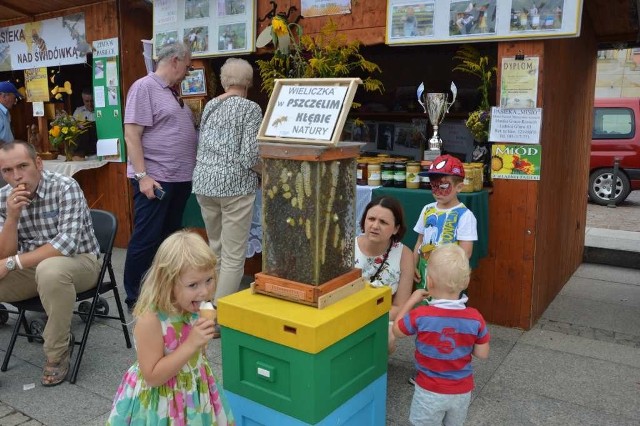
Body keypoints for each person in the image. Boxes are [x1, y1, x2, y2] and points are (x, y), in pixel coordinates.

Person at [106, 231, 234, 425]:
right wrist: (192, 344)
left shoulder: (193, 308)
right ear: (168, 283)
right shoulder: (151, 319)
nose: (205, 291)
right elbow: (152, 377)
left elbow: (198, 356)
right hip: (161, 403)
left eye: (209, 279)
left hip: (194, 393)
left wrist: (199, 344)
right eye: (193, 284)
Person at [0, 140, 100, 386]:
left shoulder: (66, 187)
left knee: (50, 270)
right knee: (44, 270)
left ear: (38, 163)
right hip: (30, 266)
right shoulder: (3, 198)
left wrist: (13, 263)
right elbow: (4, 254)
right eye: (7, 171)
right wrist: (12, 218)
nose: (16, 176)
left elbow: (65, 245)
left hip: (80, 262)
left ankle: (58, 353)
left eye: (22, 166)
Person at [122, 42, 198, 312]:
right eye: (188, 67)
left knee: (169, 240)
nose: (188, 72)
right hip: (155, 179)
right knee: (147, 238)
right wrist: (142, 176)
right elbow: (132, 134)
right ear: (175, 61)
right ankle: (135, 297)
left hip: (178, 179)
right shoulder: (145, 87)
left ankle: (163, 293)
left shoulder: (172, 93)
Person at [192, 57, 261, 335]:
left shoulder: (210, 105)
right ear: (248, 82)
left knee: (215, 250)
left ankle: (207, 307)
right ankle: (217, 319)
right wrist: (266, 172)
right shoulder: (251, 108)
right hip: (234, 186)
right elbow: (250, 155)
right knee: (233, 256)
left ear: (223, 80)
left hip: (205, 183)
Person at [393, 243, 490, 426]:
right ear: (466, 282)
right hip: (461, 392)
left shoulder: (421, 315)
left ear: (429, 282)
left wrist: (412, 300)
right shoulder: (475, 318)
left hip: (429, 391)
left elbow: (397, 330)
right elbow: (482, 354)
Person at [355, 196, 415, 354]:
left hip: (381, 316)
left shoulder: (404, 254)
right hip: (344, 313)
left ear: (396, 228)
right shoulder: (347, 246)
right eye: (371, 219)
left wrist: (364, 318)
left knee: (387, 338)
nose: (375, 226)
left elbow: (400, 307)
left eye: (383, 222)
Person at [413, 154, 478, 291]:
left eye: (443, 186)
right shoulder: (427, 209)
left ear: (459, 187)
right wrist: (413, 265)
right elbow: (420, 241)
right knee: (423, 305)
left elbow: (466, 252)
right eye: (433, 185)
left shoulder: (465, 216)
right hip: (424, 269)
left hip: (448, 276)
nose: (437, 191)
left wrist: (451, 274)